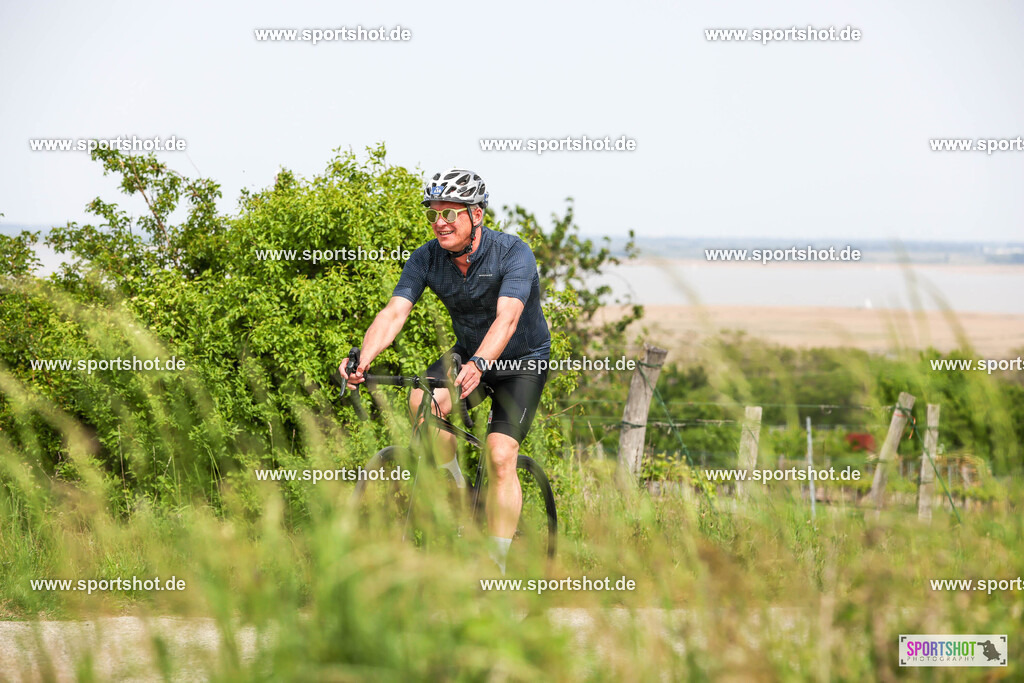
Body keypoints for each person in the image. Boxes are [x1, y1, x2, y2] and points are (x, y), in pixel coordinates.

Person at [340, 168, 551, 573]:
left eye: (450, 213)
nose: (440, 222)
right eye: (434, 213)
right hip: (469, 354)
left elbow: (507, 319)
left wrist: (482, 363)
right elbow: (394, 312)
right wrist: (363, 359)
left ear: (477, 216)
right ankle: (457, 489)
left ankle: (497, 563)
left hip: (520, 361)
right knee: (421, 398)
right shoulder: (427, 258)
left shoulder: (513, 253)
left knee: (500, 455)